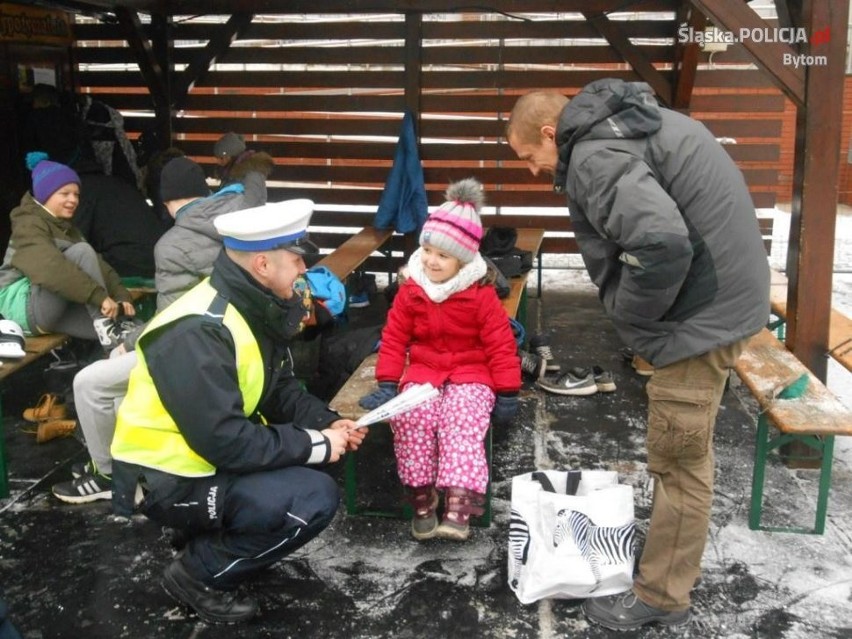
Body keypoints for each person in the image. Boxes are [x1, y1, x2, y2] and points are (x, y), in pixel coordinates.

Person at [506, 79, 770, 630]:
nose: (534, 171)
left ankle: (660, 597)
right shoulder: (639, 125)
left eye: (531, 157)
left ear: (552, 134)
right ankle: (665, 579)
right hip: (725, 303)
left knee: (678, 464)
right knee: (687, 456)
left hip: (700, 322)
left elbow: (661, 243)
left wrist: (636, 316)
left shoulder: (594, 156)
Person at [109, 199, 366, 624]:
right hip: (165, 478)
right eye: (296, 258)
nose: (303, 269)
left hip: (201, 463)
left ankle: (203, 533)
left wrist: (326, 421)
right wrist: (317, 444)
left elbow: (276, 388)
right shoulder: (197, 330)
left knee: (315, 462)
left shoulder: (248, 305)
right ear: (263, 264)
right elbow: (226, 441)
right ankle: (197, 573)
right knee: (312, 498)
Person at [50, 154, 274, 504]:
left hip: (206, 356)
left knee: (91, 382)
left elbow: (174, 322)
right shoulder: (246, 214)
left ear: (168, 203)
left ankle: (109, 474)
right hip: (254, 350)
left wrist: (129, 340)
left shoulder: (172, 245)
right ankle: (136, 463)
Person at [358, 178, 521, 542]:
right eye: (428, 249)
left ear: (463, 260)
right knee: (412, 418)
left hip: (471, 373)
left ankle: (459, 502)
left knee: (461, 420)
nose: (431, 260)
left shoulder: (480, 297)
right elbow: (395, 337)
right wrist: (388, 383)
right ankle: (421, 495)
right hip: (425, 372)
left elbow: (500, 345)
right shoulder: (412, 289)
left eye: (443, 256)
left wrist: (508, 391)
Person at [0, 152, 136, 350]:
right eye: (64, 194)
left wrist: (121, 296)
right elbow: (50, 269)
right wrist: (99, 297)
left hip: (48, 311)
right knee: (81, 252)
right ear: (45, 195)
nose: (73, 200)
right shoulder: (28, 225)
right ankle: (105, 326)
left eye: (76, 194)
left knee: (127, 334)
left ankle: (110, 339)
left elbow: (99, 267)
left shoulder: (66, 228)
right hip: (19, 311)